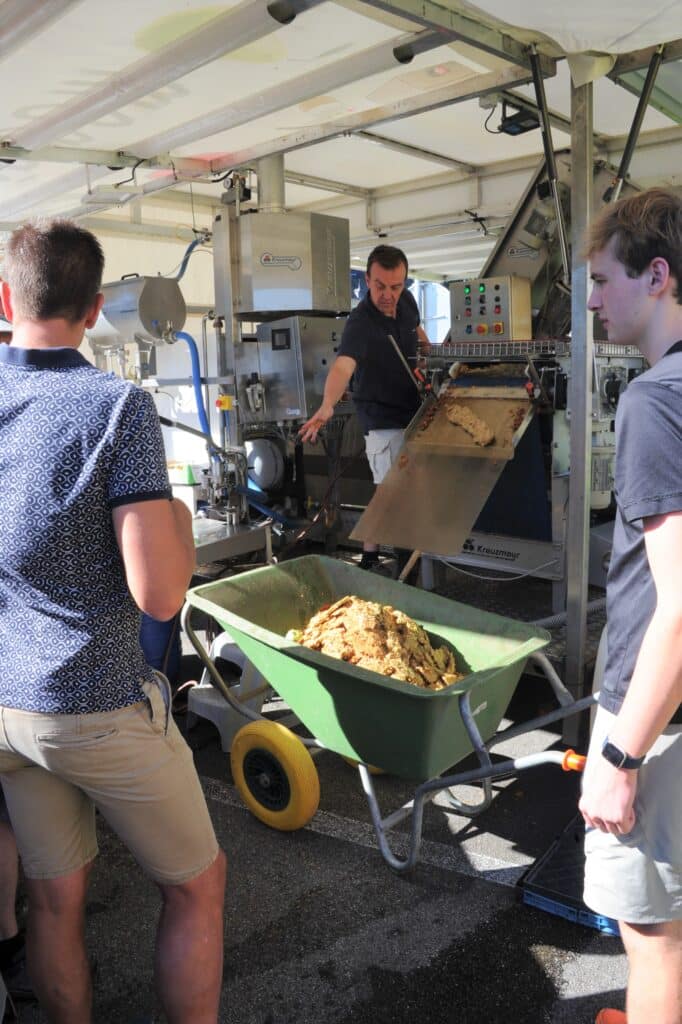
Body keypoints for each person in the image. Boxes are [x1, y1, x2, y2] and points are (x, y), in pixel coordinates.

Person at [0, 221, 226, 1024]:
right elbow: (160, 595)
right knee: (198, 886)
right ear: (95, 310)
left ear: (6, 298)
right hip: (93, 703)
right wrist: (179, 518)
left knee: (54, 902)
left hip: (8, 709)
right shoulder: (115, 406)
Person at [578, 188, 682, 1024]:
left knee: (650, 931)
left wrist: (620, 756)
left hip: (656, 709)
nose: (592, 300)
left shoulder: (653, 402)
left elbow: (680, 607)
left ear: (657, 276)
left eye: (604, 280)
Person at [299, 244, 430, 570]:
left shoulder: (408, 301)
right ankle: (402, 565)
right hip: (380, 413)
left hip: (414, 406)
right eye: (380, 286)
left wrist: (430, 355)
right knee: (391, 490)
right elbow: (343, 367)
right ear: (368, 280)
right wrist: (328, 404)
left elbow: (418, 333)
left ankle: (371, 555)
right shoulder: (361, 323)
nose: (388, 294)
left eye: (396, 286)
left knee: (395, 490)